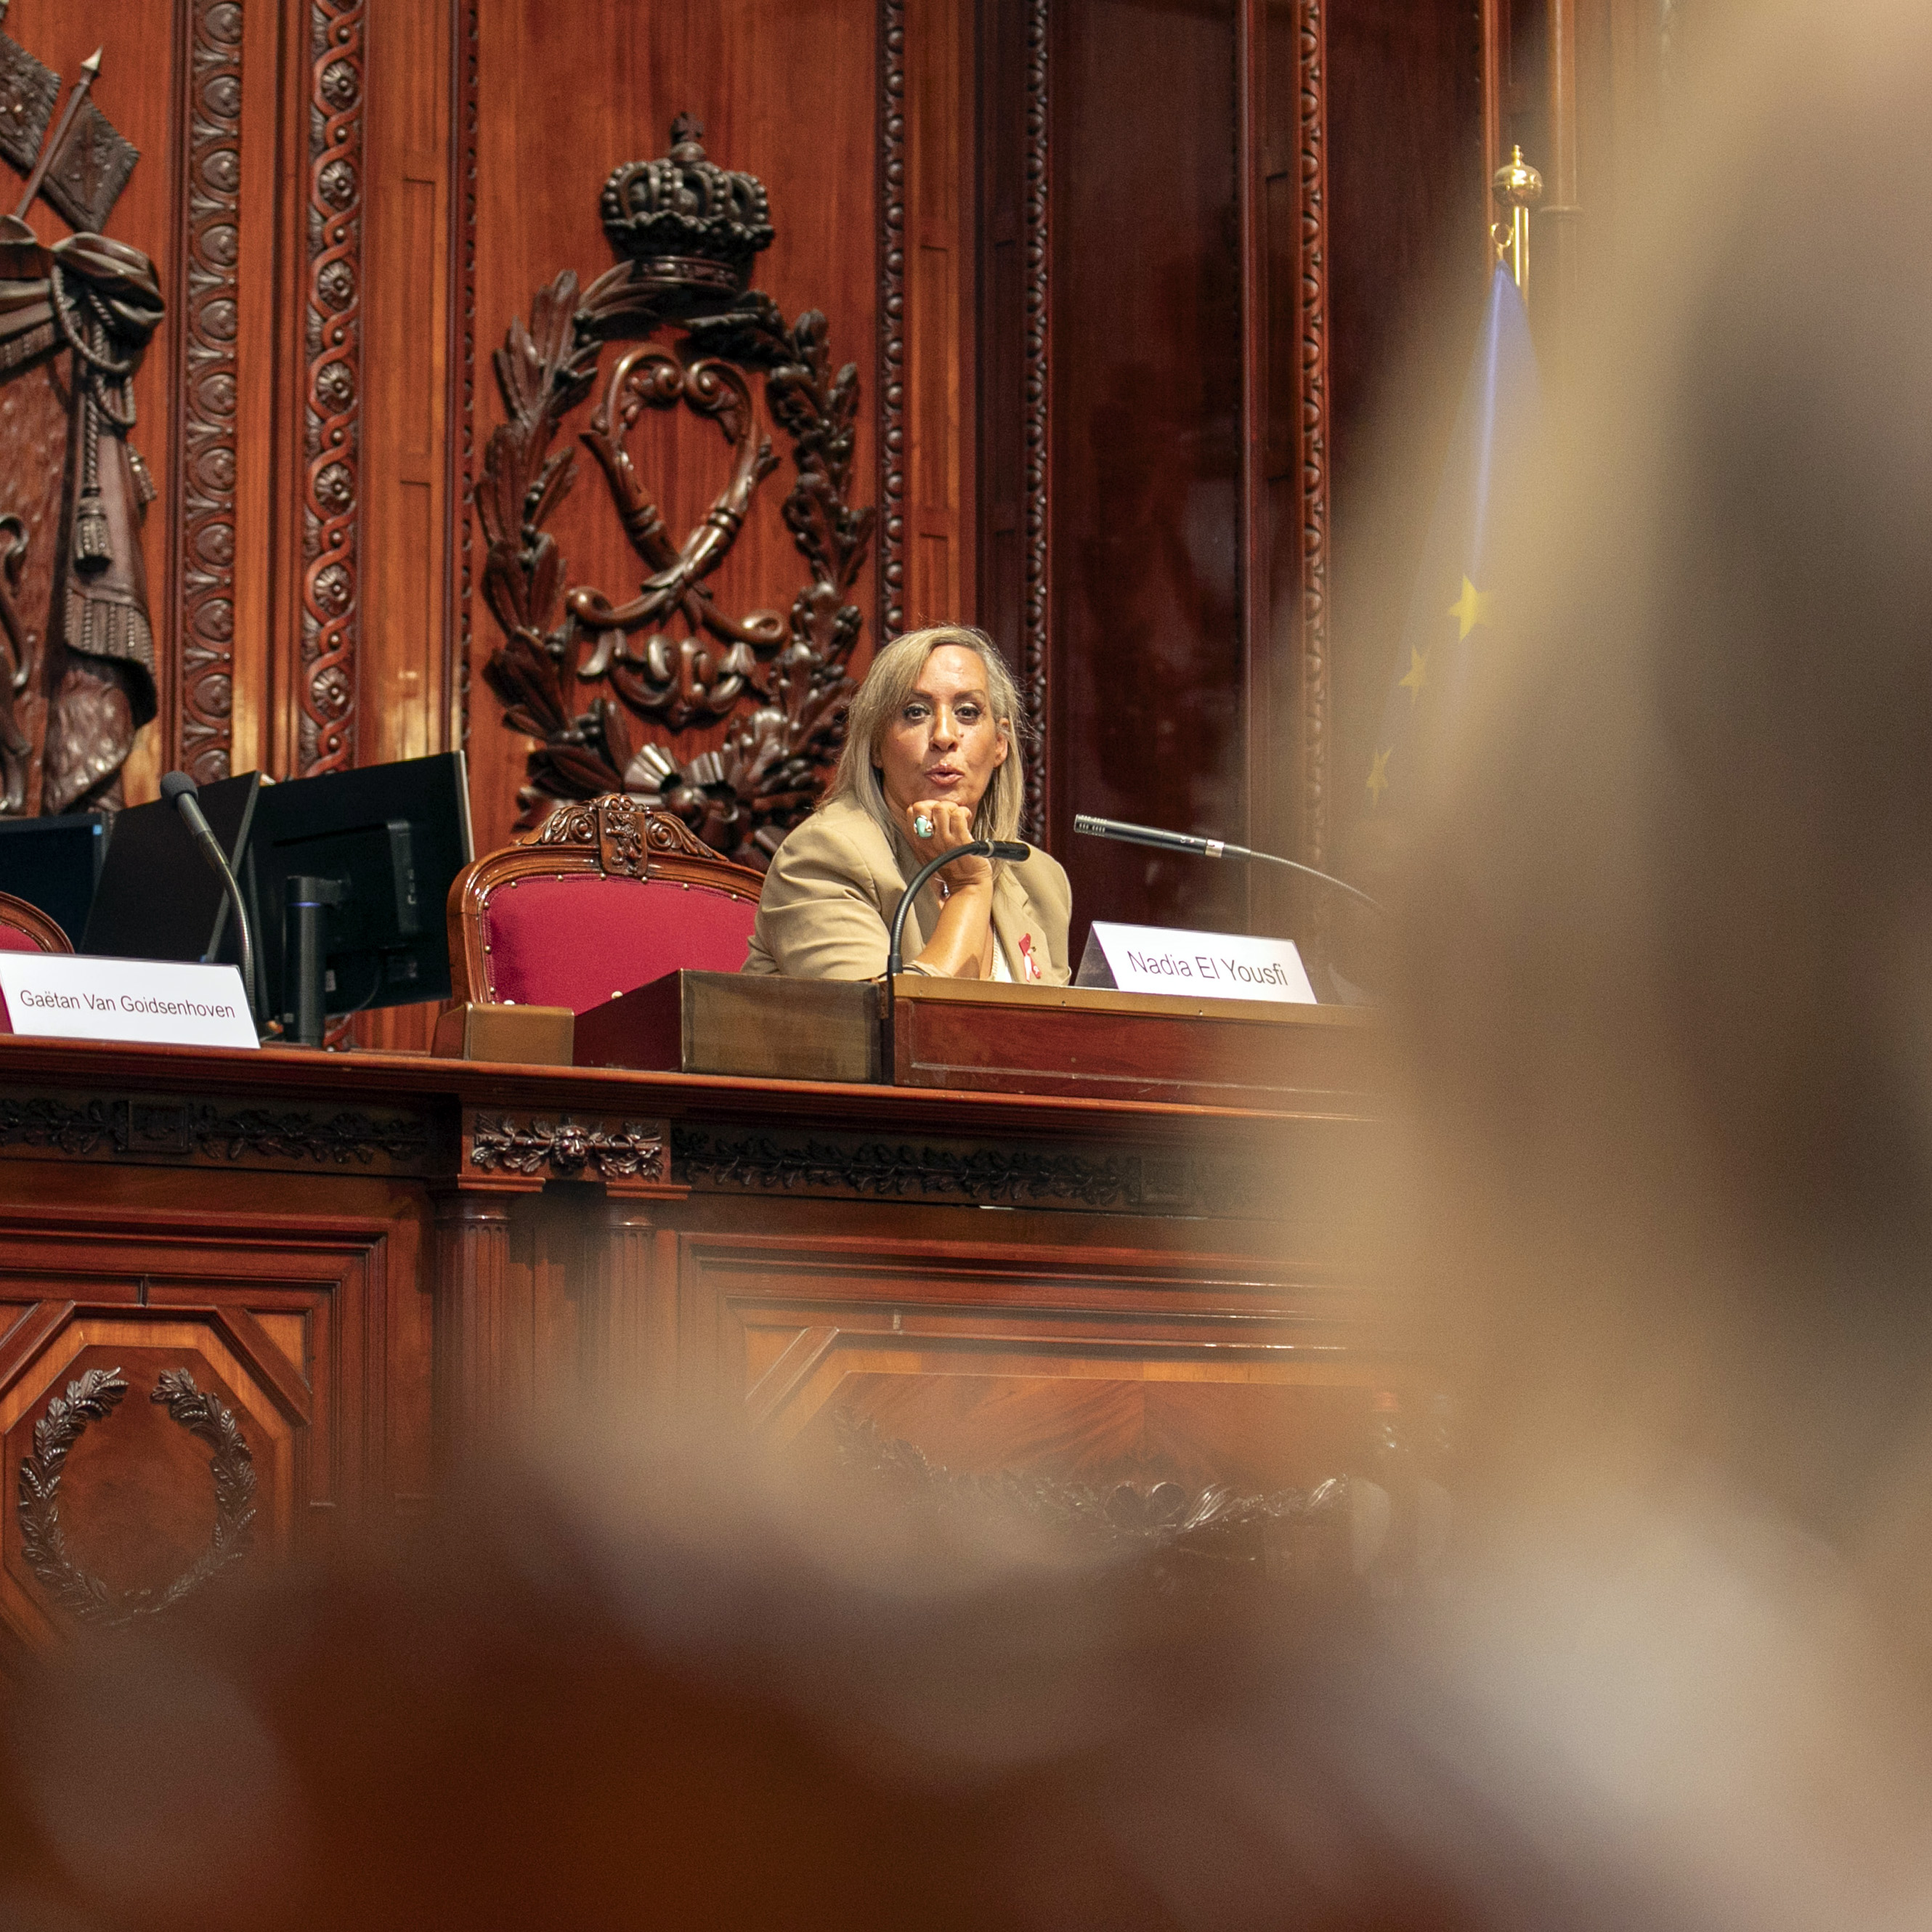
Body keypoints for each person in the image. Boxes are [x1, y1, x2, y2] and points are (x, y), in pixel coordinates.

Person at [742, 625, 1070, 982]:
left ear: (1000, 745)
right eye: (916, 712)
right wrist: (969, 890)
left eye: (968, 712)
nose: (944, 735)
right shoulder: (823, 857)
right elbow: (888, 1025)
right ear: (877, 747)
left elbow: (1059, 1031)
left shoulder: (1039, 879)